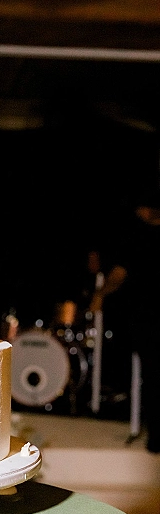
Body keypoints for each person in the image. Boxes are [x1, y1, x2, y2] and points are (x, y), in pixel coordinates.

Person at [89, 189, 160, 453]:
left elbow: (119, 274)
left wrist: (100, 294)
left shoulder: (138, 237)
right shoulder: (137, 236)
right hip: (145, 314)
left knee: (153, 375)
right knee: (153, 375)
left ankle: (156, 437)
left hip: (147, 316)